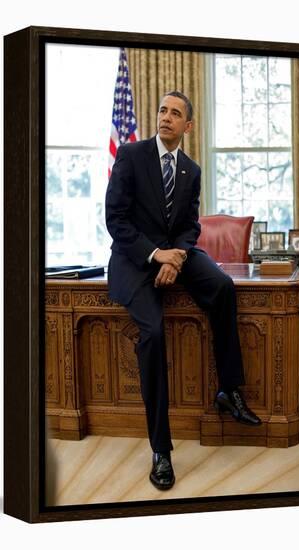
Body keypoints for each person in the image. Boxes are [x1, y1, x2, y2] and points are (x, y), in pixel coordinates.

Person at [105, 91, 261, 491]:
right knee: (153, 333)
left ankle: (228, 389)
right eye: (162, 110)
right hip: (133, 257)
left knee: (223, 286)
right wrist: (158, 256)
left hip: (178, 251)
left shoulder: (191, 169)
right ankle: (161, 449)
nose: (166, 117)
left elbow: (191, 225)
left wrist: (176, 258)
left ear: (188, 126)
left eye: (175, 113)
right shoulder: (131, 155)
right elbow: (116, 220)